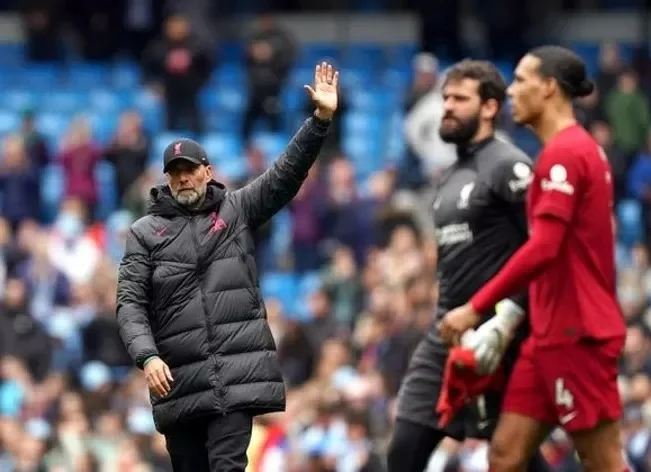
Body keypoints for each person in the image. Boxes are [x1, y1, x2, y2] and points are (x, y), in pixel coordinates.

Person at [116, 62, 339, 472]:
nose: (183, 179)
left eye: (190, 170)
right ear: (167, 180)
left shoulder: (234, 210)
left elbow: (284, 175)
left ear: (208, 172)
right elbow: (129, 303)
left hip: (234, 377)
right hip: (177, 381)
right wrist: (147, 357)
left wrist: (320, 120)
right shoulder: (144, 232)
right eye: (175, 173)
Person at [438, 46, 628, 471]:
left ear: (548, 88)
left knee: (604, 463)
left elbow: (544, 247)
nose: (511, 90)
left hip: (578, 334)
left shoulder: (566, 153)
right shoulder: (567, 151)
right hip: (547, 335)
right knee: (504, 454)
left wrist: (475, 308)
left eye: (521, 80)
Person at [387, 59, 549, 472]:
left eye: (460, 98)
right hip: (449, 332)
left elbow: (545, 249)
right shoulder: (450, 177)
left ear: (491, 107)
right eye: (445, 98)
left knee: (514, 458)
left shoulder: (509, 166)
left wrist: (508, 318)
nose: (447, 107)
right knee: (403, 447)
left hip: (502, 337)